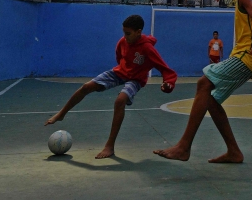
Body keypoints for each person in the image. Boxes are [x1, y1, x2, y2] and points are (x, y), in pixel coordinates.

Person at [154, 0, 252, 163]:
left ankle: (184, 147)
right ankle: (234, 151)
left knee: (203, 83)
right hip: (245, 56)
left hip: (247, 56)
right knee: (212, 100)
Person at [45, 15, 177, 159]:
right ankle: (62, 114)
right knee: (86, 87)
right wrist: (122, 69)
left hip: (136, 79)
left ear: (138, 32)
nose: (125, 37)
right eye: (124, 33)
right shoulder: (122, 41)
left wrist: (168, 84)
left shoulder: (147, 48)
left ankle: (110, 146)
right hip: (119, 72)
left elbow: (166, 70)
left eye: (128, 33)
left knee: (120, 101)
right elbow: (119, 56)